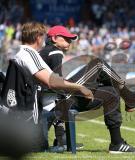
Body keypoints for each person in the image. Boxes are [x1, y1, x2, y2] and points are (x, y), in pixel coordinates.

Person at [39, 25, 135, 154]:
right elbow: (58, 86)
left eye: (70, 39)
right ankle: (131, 99)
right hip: (60, 101)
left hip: (56, 102)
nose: (70, 42)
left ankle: (117, 143)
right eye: (66, 38)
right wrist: (82, 88)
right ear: (54, 38)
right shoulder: (54, 51)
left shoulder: (43, 53)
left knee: (111, 92)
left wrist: (61, 136)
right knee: (98, 64)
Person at [0, 22, 94, 152]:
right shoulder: (30, 54)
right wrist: (79, 87)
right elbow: (52, 82)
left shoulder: (19, 53)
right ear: (38, 37)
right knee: (41, 146)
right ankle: (61, 140)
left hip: (13, 112)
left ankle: (61, 139)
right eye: (43, 37)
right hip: (25, 116)